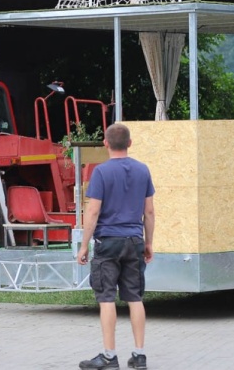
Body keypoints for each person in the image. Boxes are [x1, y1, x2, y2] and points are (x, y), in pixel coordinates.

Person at [77, 123, 156, 370]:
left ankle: (110, 356)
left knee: (107, 298)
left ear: (106, 144)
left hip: (108, 241)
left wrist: (84, 245)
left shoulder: (101, 172)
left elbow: (93, 211)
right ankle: (139, 355)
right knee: (135, 298)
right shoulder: (143, 170)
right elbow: (150, 211)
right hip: (134, 241)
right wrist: (149, 242)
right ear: (130, 143)